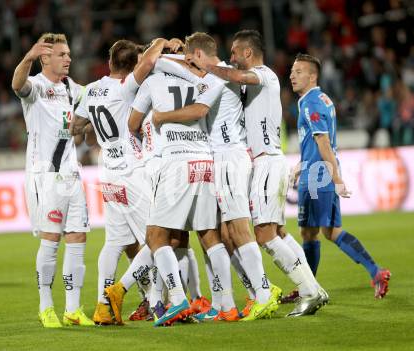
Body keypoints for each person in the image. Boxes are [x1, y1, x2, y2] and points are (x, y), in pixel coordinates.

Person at [195, 29, 327, 316]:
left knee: (264, 235)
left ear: (247, 53)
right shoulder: (255, 83)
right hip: (267, 162)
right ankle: (314, 287)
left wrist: (208, 65)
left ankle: (308, 290)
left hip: (267, 161)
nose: (231, 59)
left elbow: (241, 77)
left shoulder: (264, 74)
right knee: (278, 231)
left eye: (233, 53)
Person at [152, 32, 279, 321]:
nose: (188, 64)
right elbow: (177, 67)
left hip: (230, 157)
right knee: (223, 233)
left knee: (238, 227)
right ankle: (229, 303)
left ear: (198, 56)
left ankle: (263, 292)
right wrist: (176, 50)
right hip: (218, 159)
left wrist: (162, 116)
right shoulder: (212, 74)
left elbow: (198, 108)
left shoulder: (219, 75)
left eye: (191, 59)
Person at [71, 38, 181, 325]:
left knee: (115, 242)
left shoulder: (91, 89)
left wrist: (89, 128)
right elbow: (147, 63)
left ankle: (102, 306)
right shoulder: (126, 87)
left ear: (109, 62)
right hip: (133, 171)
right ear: (132, 66)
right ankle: (153, 301)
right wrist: (161, 42)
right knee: (157, 238)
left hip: (107, 171)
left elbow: (74, 127)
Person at [130, 57, 239, 323]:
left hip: (176, 162)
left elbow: (132, 123)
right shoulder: (199, 81)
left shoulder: (153, 81)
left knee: (156, 236)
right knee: (209, 236)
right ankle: (228, 305)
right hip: (204, 160)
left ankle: (178, 299)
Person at [289, 53, 391, 299]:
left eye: (299, 71)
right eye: (292, 71)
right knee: (323, 231)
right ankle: (373, 271)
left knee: (317, 232)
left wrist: (337, 181)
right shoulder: (322, 98)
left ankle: (310, 288)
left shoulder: (311, 102)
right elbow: (319, 143)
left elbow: (323, 142)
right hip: (317, 171)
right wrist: (302, 164)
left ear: (312, 76)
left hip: (318, 177)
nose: (292, 75)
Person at [11, 33, 94, 328]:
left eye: (69, 54)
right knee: (51, 239)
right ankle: (46, 306)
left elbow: (95, 103)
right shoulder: (37, 87)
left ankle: (73, 308)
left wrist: (83, 126)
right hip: (45, 174)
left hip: (71, 174)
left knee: (77, 237)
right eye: (61, 54)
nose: (68, 58)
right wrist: (28, 56)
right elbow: (17, 84)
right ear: (45, 58)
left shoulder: (74, 88)